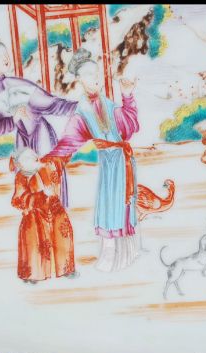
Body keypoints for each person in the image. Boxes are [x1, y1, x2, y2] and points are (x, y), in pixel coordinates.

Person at [43, 49, 141, 273]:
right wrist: (50, 160)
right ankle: (109, 253)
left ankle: (127, 253)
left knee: (123, 204)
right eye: (88, 75)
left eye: (96, 74)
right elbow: (69, 141)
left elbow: (129, 127)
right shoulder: (82, 111)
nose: (95, 79)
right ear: (79, 79)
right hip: (109, 164)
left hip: (123, 161)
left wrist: (127, 96)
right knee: (108, 205)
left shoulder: (109, 104)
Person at [0, 31, 78, 207]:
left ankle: (55, 216)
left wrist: (80, 107)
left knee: (48, 179)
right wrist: (13, 120)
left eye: (5, 54)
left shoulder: (18, 84)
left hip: (41, 134)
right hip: (22, 140)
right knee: (27, 185)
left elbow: (52, 104)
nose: (5, 59)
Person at [12, 148, 76, 282]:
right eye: (24, 161)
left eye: (31, 158)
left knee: (63, 238)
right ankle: (33, 275)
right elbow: (18, 200)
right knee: (35, 243)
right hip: (35, 216)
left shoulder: (50, 165)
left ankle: (66, 270)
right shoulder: (21, 177)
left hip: (55, 209)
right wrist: (40, 195)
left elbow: (64, 155)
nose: (33, 159)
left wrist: (70, 145)